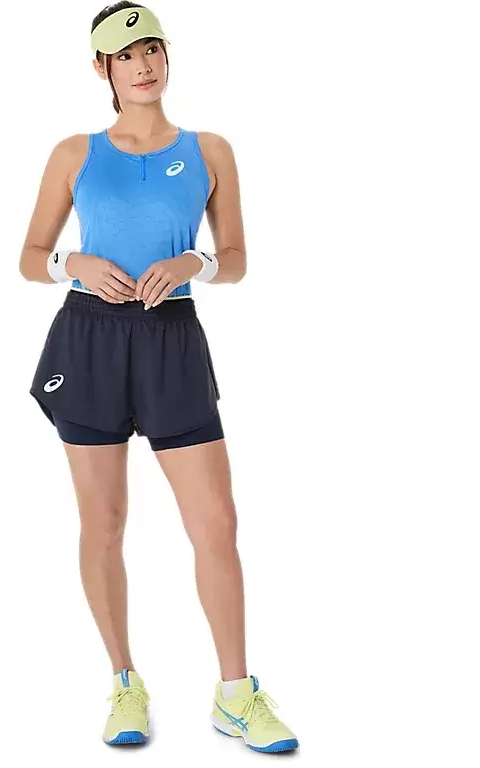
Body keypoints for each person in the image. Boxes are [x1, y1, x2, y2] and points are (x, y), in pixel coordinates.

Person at [18, 3, 299, 754]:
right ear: (101, 68)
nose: (143, 65)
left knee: (217, 523)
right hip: (89, 338)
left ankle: (236, 694)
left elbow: (235, 260)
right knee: (103, 523)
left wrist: (194, 262)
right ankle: (124, 684)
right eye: (126, 55)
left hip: (173, 338)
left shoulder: (211, 150)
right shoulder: (73, 154)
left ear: (166, 57)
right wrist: (72, 263)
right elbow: (30, 257)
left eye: (152, 50)